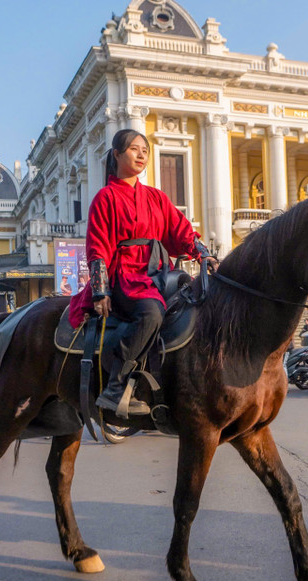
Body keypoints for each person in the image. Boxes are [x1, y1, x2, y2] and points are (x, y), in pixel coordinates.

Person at [68, 128, 217, 417]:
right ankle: (116, 385)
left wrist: (203, 253)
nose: (141, 155)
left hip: (160, 274)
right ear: (117, 154)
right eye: (134, 149)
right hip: (126, 276)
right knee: (151, 314)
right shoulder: (105, 197)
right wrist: (100, 291)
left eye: (145, 151)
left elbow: (182, 230)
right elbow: (97, 248)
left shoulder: (156, 197)